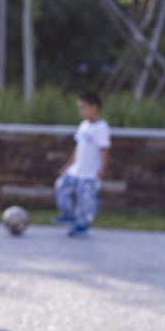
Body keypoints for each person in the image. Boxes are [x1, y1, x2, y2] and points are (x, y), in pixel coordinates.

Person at [53, 91, 111, 238]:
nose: (81, 112)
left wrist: (101, 169)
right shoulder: (83, 125)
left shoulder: (101, 127)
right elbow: (78, 146)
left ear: (95, 107)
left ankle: (82, 225)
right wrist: (68, 164)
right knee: (61, 185)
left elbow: (104, 150)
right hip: (76, 169)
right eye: (80, 108)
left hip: (90, 173)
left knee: (86, 201)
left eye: (84, 107)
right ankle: (68, 214)